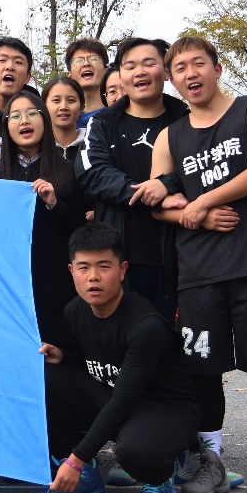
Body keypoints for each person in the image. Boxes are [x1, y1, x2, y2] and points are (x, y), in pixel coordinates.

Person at [150, 35, 247, 493]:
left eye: (198, 63)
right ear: (172, 80)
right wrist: (194, 215)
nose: (190, 74)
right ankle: (212, 461)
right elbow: (157, 204)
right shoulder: (170, 136)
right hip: (198, 271)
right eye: (180, 69)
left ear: (217, 68)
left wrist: (201, 200)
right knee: (203, 372)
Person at [32, 224, 198, 493]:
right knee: (44, 375)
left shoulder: (146, 326)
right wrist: (66, 357)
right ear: (71, 271)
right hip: (116, 396)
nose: (93, 277)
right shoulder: (75, 310)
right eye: (83, 267)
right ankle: (88, 480)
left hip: (164, 408)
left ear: (122, 270)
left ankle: (164, 471)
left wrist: (76, 460)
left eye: (103, 266)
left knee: (136, 454)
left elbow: (123, 398)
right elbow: (106, 363)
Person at [76, 38, 186, 321]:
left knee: (172, 339)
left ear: (165, 71)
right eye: (131, 66)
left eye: (149, 63)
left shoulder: (186, 119)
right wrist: (151, 194)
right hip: (120, 258)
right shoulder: (103, 123)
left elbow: (199, 167)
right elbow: (92, 171)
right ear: (121, 74)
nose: (140, 72)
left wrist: (167, 183)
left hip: (178, 255)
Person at [0, 92, 85, 349]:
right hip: (8, 283)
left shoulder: (67, 169)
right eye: (15, 116)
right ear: (6, 126)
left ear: (44, 120)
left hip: (54, 283)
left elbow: (79, 228)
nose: (24, 121)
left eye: (32, 113)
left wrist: (54, 204)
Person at [0, 37, 35, 132]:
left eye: (18, 62)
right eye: (2, 60)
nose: (10, 67)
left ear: (27, 77)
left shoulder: (38, 115)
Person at [65, 39, 109, 128]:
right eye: (78, 60)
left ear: (106, 71)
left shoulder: (118, 114)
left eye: (94, 59)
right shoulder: (62, 119)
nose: (86, 63)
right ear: (69, 75)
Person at [43, 77, 88, 160]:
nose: (63, 107)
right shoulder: (37, 148)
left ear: (81, 108)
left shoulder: (93, 144)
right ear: (44, 106)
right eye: (56, 100)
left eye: (71, 100)